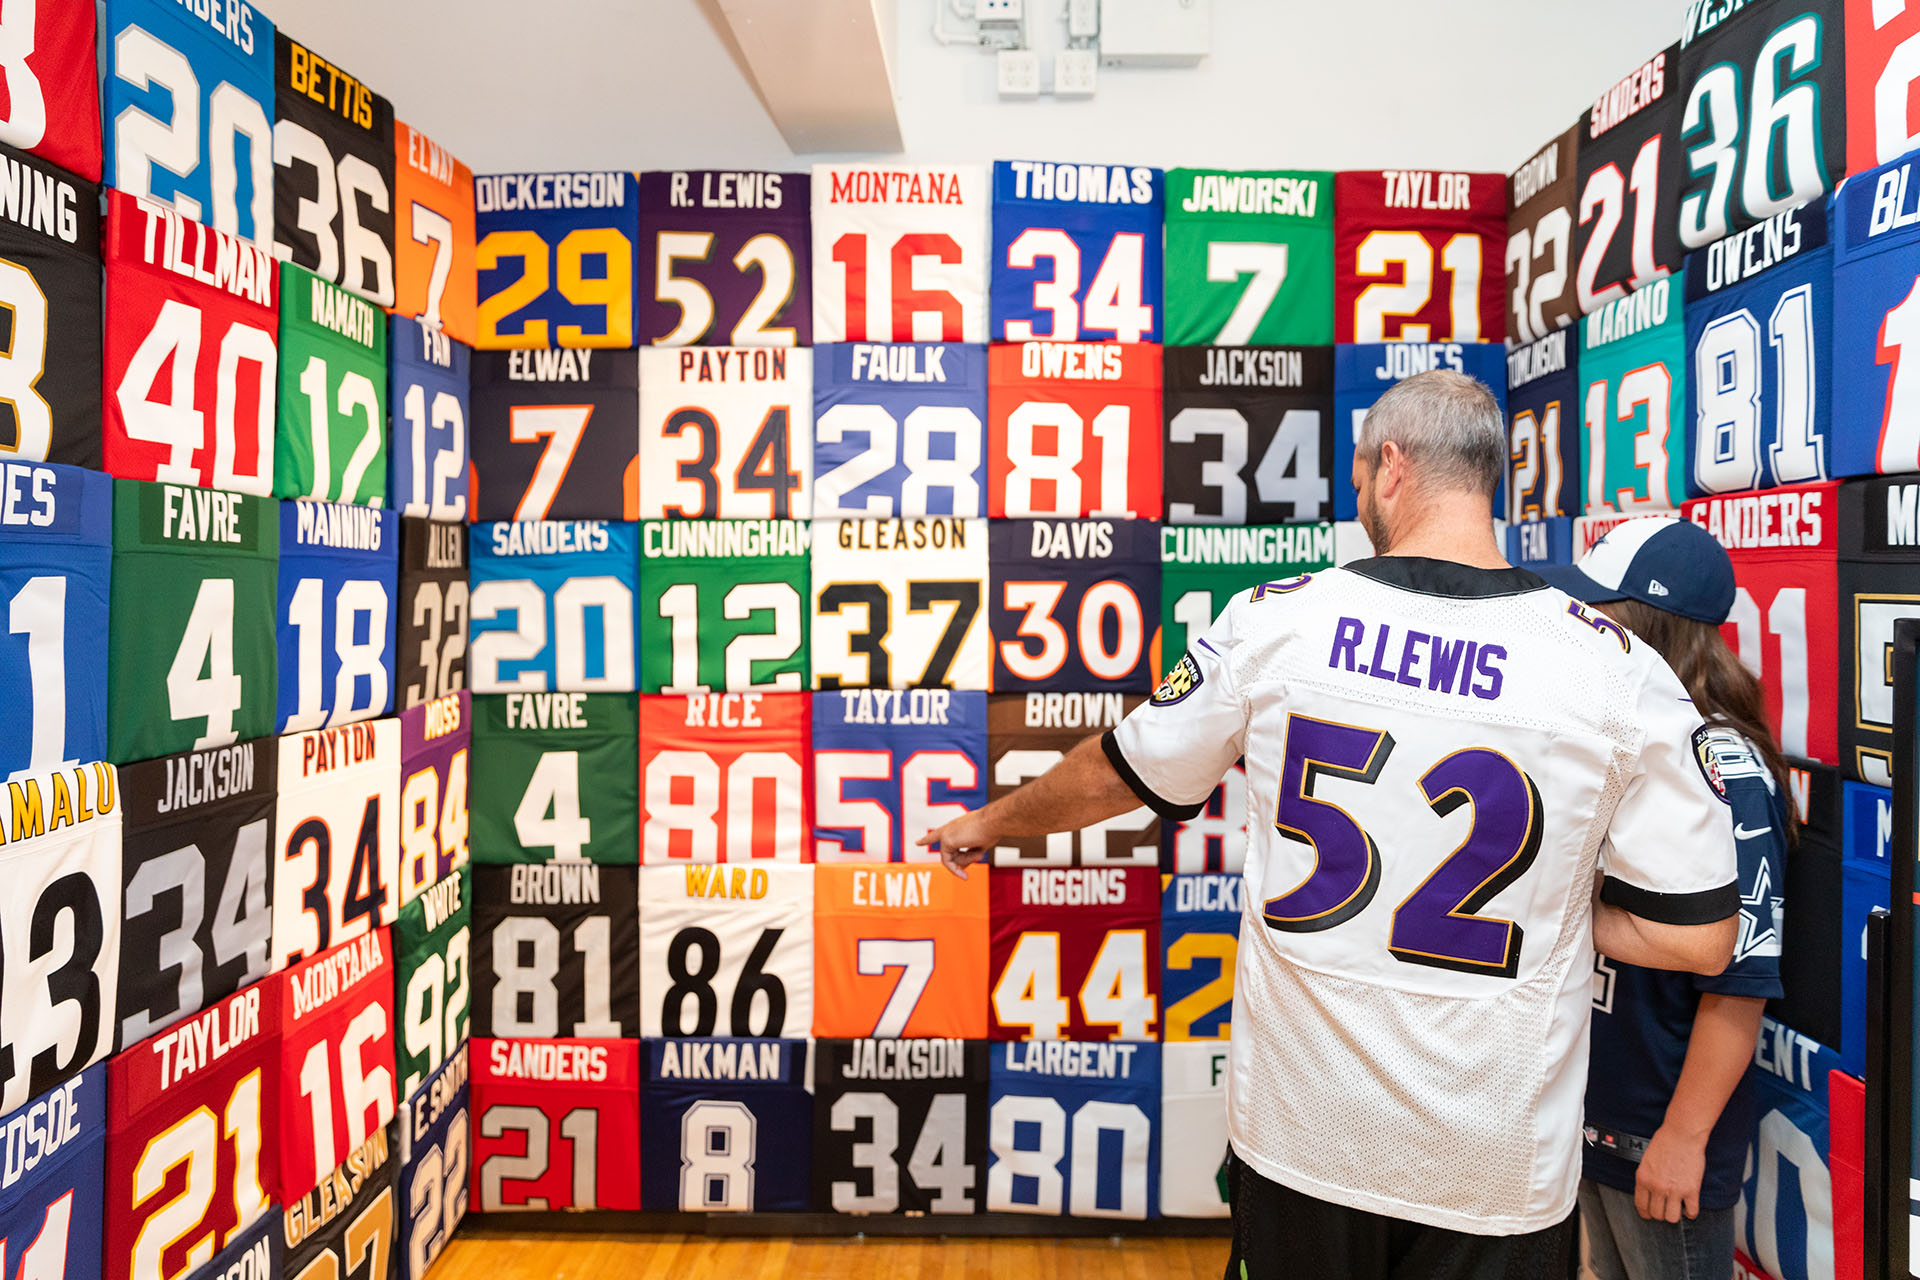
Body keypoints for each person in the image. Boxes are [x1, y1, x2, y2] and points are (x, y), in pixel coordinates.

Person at [920, 370, 1740, 1280]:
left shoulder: (1281, 625)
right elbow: (1702, 940)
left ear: (1392, 468)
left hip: (1306, 1144)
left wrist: (988, 824)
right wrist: (1544, 913)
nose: (1360, 500)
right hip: (1499, 1170)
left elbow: (1120, 773)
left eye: (1357, 482)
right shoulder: (1613, 670)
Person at [1539, 518, 1790, 1280]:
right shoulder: (1628, 743)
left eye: (1599, 614)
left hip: (1663, 1138)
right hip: (1596, 1126)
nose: (1583, 632)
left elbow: (1741, 983)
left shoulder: (1727, 768)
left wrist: (1683, 1138)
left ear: (1645, 627)